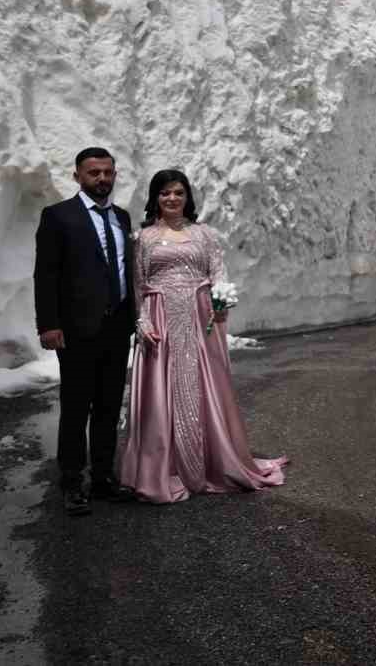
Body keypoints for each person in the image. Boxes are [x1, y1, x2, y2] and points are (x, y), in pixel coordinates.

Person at [117, 168, 287, 501]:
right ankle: (164, 467)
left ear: (187, 197)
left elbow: (218, 274)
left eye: (178, 192)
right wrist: (141, 323)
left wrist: (222, 301)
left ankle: (212, 461)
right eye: (164, 193)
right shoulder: (143, 239)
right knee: (160, 393)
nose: (172, 198)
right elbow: (137, 285)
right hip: (160, 318)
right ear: (155, 198)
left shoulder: (205, 234)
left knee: (205, 387)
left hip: (199, 317)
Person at [34, 147, 138, 516]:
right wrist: (48, 324)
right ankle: (72, 481)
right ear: (77, 175)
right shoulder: (58, 217)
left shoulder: (122, 218)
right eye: (94, 173)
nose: (102, 179)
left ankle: (103, 477)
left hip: (116, 328)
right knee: (77, 407)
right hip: (78, 329)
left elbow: (127, 272)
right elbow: (46, 275)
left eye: (108, 172)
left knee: (109, 407)